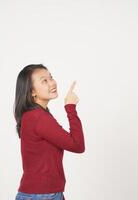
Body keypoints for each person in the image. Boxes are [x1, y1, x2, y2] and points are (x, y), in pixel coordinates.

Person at [13, 64, 85, 200]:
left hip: (42, 194)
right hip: (42, 195)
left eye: (51, 77)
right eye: (44, 81)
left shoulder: (36, 115)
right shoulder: (38, 117)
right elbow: (77, 145)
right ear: (32, 91)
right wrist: (70, 107)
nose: (52, 83)